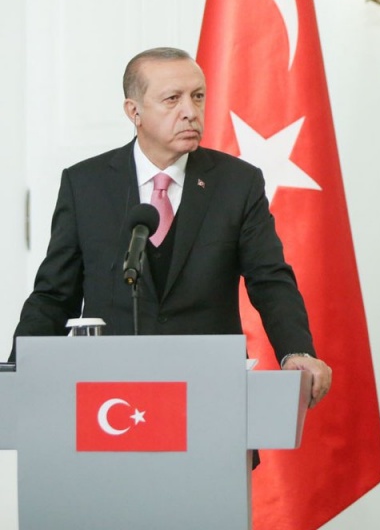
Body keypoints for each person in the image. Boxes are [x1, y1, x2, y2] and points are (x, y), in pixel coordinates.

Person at [9, 47, 332, 407]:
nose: (190, 112)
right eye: (172, 99)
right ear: (135, 112)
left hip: (209, 395)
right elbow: (55, 293)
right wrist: (17, 369)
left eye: (197, 97)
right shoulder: (86, 184)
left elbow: (270, 279)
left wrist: (296, 351)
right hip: (108, 400)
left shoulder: (237, 183)